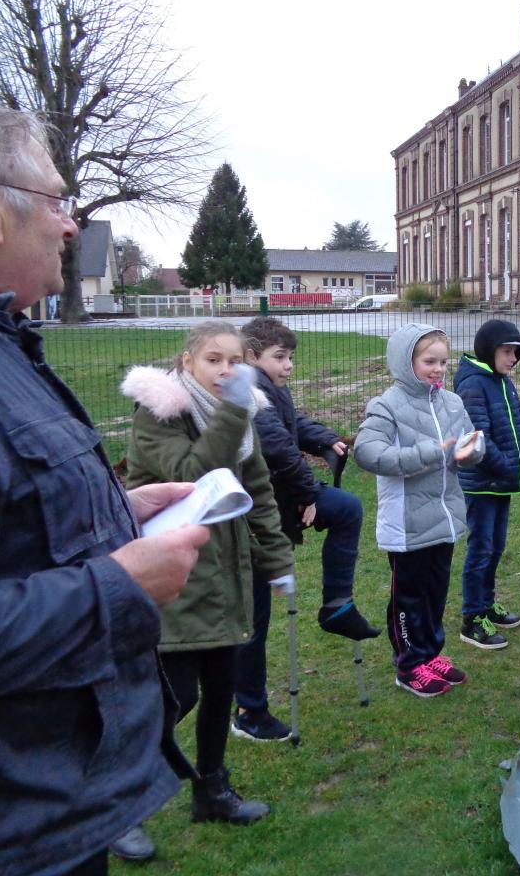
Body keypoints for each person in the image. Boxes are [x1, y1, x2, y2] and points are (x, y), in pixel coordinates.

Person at [0, 98, 208, 875]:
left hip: (47, 802)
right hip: (0, 834)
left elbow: (4, 524)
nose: (71, 224)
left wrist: (112, 515)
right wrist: (119, 585)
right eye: (58, 200)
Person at [122, 322, 296, 827]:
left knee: (221, 688)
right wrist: (237, 410)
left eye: (235, 361)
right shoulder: (160, 414)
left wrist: (278, 559)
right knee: (176, 696)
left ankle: (212, 791)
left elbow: (258, 490)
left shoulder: (240, 419)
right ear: (186, 362)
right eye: (213, 360)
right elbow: (196, 471)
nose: (225, 371)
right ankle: (117, 807)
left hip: (227, 574)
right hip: (173, 575)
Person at [230, 316, 379, 744]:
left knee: (347, 509)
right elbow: (275, 443)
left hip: (276, 504)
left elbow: (292, 425)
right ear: (252, 356)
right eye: (280, 357)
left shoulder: (269, 387)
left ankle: (337, 605)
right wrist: (310, 493)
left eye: (290, 357)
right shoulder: (247, 391)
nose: (289, 365)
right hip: (253, 517)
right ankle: (249, 710)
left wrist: (324, 439)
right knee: (254, 615)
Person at [353, 324, 484, 698]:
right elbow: (369, 453)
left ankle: (431, 653)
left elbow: (467, 444)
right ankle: (409, 665)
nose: (439, 369)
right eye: (429, 361)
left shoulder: (452, 402)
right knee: (409, 599)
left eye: (443, 361)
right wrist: (432, 452)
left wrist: (472, 452)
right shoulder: (386, 405)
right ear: (405, 361)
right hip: (406, 525)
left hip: (444, 519)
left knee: (435, 593)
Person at [453, 319, 520, 650]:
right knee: (481, 548)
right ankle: (472, 618)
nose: (513, 358)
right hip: (483, 483)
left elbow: (513, 428)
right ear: (489, 349)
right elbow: (478, 440)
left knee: (495, 547)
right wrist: (507, 471)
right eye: (507, 351)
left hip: (500, 482)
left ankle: (487, 605)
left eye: (516, 352)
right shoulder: (474, 384)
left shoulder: (501, 381)